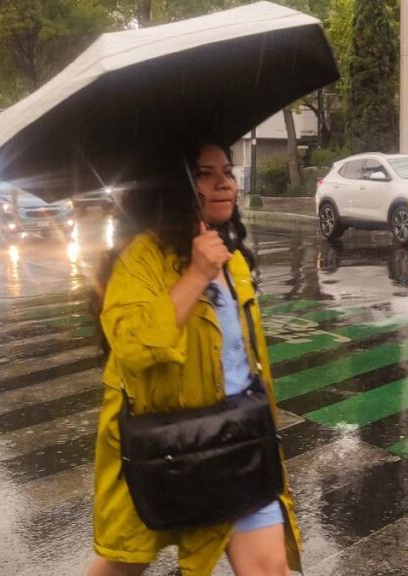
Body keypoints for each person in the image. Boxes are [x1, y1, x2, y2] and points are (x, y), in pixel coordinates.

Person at [87, 143, 302, 576]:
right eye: (205, 174)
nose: (224, 183)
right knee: (120, 565)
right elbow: (132, 345)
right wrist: (196, 275)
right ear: (177, 186)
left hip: (238, 441)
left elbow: (246, 358)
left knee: (269, 569)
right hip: (164, 448)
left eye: (227, 171)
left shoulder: (232, 257)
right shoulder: (141, 259)